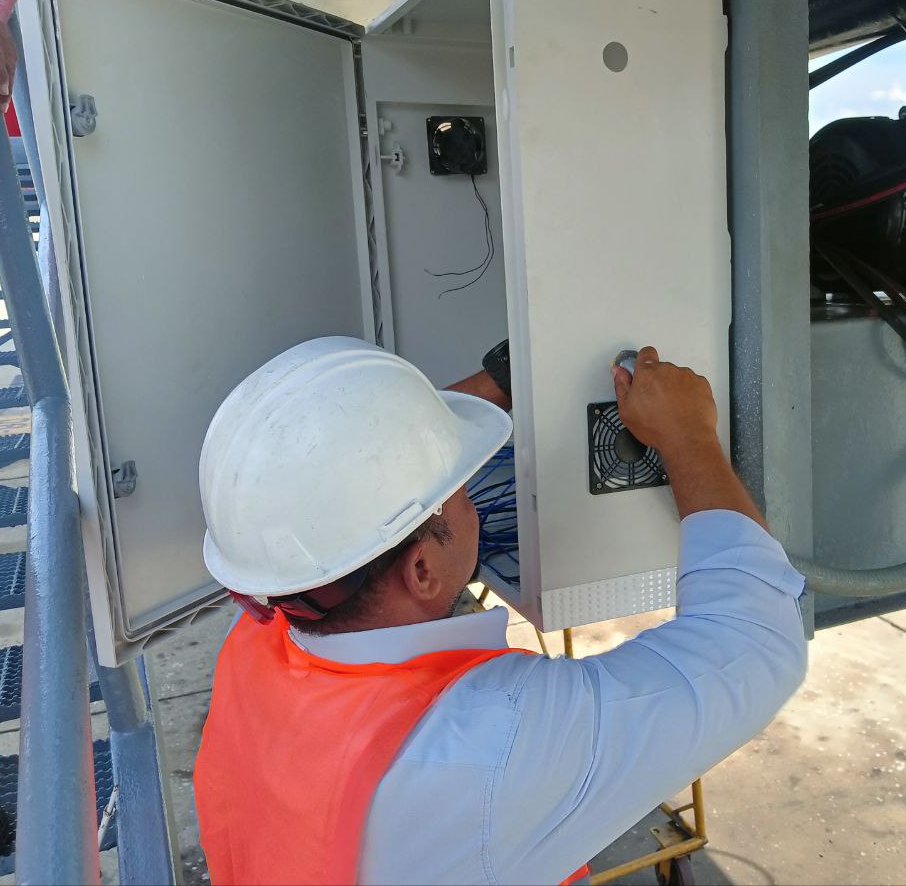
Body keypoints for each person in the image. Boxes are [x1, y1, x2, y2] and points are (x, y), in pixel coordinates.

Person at [193, 337, 808, 885]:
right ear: (422, 571)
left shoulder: (263, 638)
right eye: (462, 491)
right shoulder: (489, 745)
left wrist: (504, 379)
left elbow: (338, 476)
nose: (474, 501)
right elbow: (755, 645)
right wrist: (689, 437)